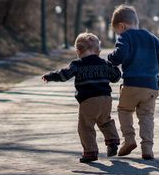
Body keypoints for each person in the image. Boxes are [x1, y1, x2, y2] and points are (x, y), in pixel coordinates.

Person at [42, 32, 121, 163]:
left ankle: (90, 152)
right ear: (98, 51)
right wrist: (115, 67)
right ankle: (112, 142)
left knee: (85, 126)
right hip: (106, 99)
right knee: (105, 121)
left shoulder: (77, 64)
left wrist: (50, 76)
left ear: (78, 51)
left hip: (88, 100)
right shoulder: (104, 64)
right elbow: (115, 77)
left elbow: (64, 75)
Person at [108, 4, 159, 160]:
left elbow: (119, 56)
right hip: (150, 86)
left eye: (117, 32)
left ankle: (129, 139)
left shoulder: (125, 37)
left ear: (122, 26)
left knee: (124, 110)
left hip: (131, 84)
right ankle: (147, 148)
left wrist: (110, 58)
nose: (118, 34)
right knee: (147, 116)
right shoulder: (153, 38)